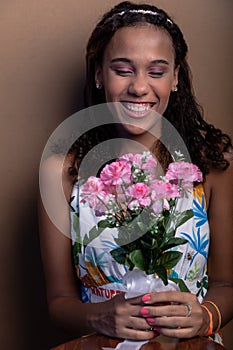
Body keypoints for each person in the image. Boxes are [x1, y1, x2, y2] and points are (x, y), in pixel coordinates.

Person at [39, 1, 233, 345]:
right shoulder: (61, 172)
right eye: (122, 70)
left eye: (156, 72)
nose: (139, 87)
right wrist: (99, 317)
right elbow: (58, 302)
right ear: (99, 74)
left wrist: (206, 317)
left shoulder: (212, 166)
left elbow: (226, 285)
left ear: (175, 78)